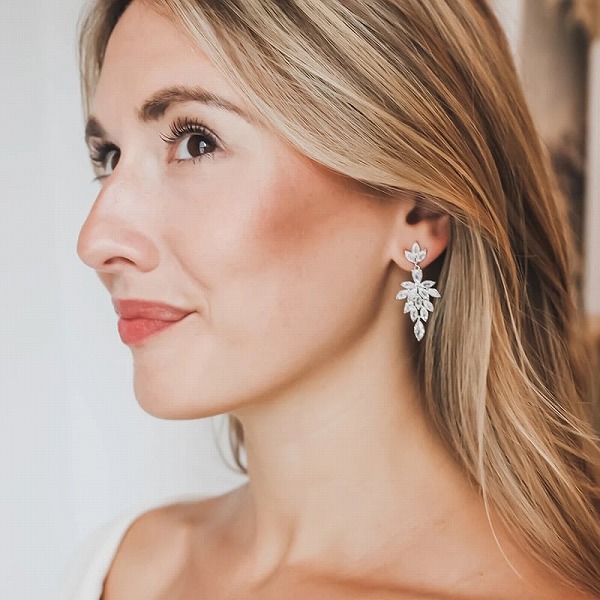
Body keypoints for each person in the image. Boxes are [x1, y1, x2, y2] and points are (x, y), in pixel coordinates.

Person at [63, 0, 600, 597]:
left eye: (195, 143)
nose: (96, 240)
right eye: (110, 157)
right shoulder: (118, 565)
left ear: (420, 210)